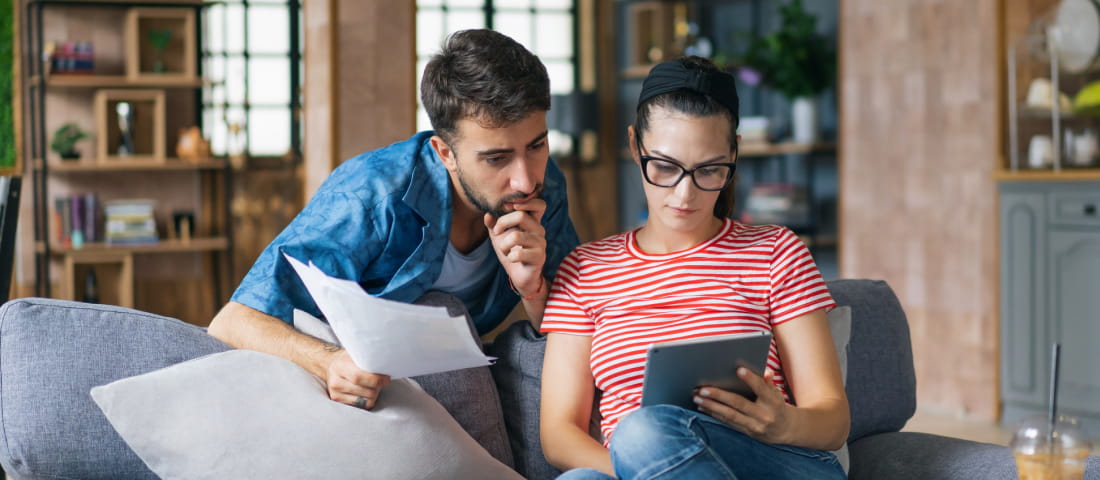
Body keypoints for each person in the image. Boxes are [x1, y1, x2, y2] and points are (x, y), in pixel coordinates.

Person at [207, 29, 580, 412]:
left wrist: (532, 289)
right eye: (496, 158)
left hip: (455, 370)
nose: (525, 179)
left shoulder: (544, 184)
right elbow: (234, 321)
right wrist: (329, 362)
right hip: (348, 381)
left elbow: (574, 323)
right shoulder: (371, 194)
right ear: (445, 153)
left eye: (536, 145)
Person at [539, 56, 848, 480]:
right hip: (638, 466)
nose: (685, 194)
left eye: (710, 170)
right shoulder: (586, 269)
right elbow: (558, 435)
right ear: (635, 146)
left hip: (774, 464)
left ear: (734, 153)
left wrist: (785, 424)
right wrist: (645, 465)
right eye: (665, 167)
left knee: (641, 431)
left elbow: (833, 420)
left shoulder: (776, 251)